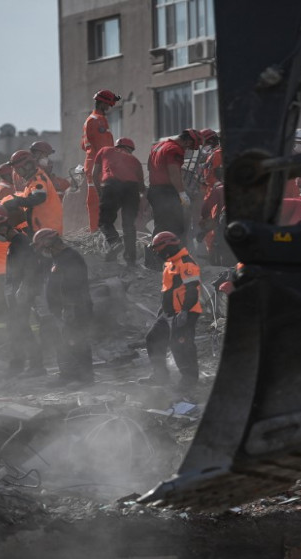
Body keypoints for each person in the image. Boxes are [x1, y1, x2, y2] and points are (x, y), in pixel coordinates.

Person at [140, 232, 203, 391]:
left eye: (157, 249)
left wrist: (185, 311)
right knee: (153, 339)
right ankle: (160, 376)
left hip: (185, 312)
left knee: (181, 345)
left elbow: (192, 291)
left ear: (166, 247)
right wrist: (163, 309)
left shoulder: (187, 263)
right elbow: (169, 290)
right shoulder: (169, 264)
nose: (156, 252)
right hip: (168, 313)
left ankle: (189, 380)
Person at [32, 229, 94, 387]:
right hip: (62, 310)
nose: (42, 251)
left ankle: (85, 379)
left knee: (78, 342)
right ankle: (67, 376)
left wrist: (70, 308)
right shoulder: (57, 258)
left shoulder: (71, 258)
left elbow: (75, 285)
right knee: (64, 343)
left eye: (43, 247)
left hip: (75, 308)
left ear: (49, 243)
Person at [0, 213, 45, 377]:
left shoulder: (21, 242)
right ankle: (19, 365)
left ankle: (35, 366)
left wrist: (24, 287)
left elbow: (30, 267)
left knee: (22, 329)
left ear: (5, 228)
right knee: (16, 329)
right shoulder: (15, 243)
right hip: (16, 292)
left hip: (22, 293)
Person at [91, 136, 144, 264]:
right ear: (130, 149)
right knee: (129, 225)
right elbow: (141, 186)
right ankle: (131, 260)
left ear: (117, 146)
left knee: (104, 222)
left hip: (112, 185)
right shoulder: (135, 160)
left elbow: (94, 174)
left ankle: (114, 242)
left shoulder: (105, 150)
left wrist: (100, 193)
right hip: (132, 189)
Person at [147, 129, 203, 240]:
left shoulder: (157, 146)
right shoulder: (174, 149)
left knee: (161, 225)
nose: (186, 150)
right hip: (166, 193)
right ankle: (166, 254)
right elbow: (174, 174)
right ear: (187, 141)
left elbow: (149, 167)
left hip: (154, 190)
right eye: (188, 147)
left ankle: (154, 253)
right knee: (175, 228)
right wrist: (182, 194)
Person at [82, 89, 121, 232]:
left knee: (96, 199)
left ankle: (98, 231)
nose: (110, 108)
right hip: (98, 166)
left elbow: (84, 145)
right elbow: (104, 149)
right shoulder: (97, 121)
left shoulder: (92, 120)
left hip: (93, 163)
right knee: (98, 201)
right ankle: (97, 233)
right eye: (109, 105)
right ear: (102, 103)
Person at [7, 150, 63, 234]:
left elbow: (39, 197)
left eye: (19, 170)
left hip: (47, 229)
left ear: (27, 166)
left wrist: (18, 201)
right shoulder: (32, 181)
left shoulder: (38, 180)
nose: (19, 174)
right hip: (43, 228)